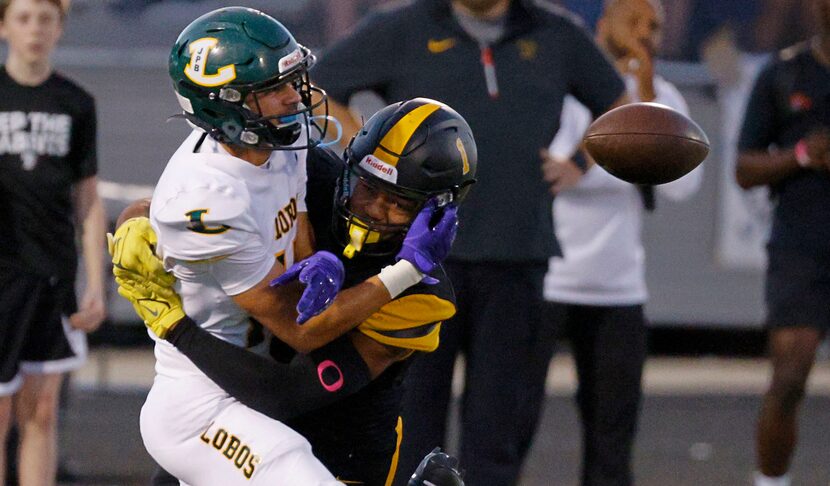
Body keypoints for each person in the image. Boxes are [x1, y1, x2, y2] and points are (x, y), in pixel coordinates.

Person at [130, 7, 459, 485]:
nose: (294, 97)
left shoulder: (286, 144)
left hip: (338, 437)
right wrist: (135, 225)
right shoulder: (209, 198)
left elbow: (293, 369)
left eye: (405, 202)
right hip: (209, 399)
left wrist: (329, 263)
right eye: (273, 90)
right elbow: (299, 334)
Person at [310, 0, 627, 483]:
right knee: (406, 426)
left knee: (499, 434)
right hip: (413, 267)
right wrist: (377, 165)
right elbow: (320, 89)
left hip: (517, 254)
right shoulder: (403, 26)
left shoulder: (555, 32)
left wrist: (578, 164)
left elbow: (620, 106)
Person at [535, 1, 703, 485]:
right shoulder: (566, 86)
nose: (645, 34)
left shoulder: (665, 97)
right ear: (603, 23)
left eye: (655, 26)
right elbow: (552, 171)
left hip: (618, 286)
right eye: (636, 22)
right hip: (550, 277)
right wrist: (621, 164)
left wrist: (646, 95)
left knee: (612, 440)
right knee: (513, 422)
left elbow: (682, 187)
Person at [0, 0, 106, 484]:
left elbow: (87, 199)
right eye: (23, 18)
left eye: (45, 19)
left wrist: (96, 285)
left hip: (52, 276)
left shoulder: (76, 103)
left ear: (60, 27)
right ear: (4, 25)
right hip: (2, 278)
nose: (35, 29)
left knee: (41, 411)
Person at [735, 1, 830, 485]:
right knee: (790, 378)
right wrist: (802, 155)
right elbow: (743, 169)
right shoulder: (784, 74)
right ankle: (770, 482)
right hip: (803, 244)